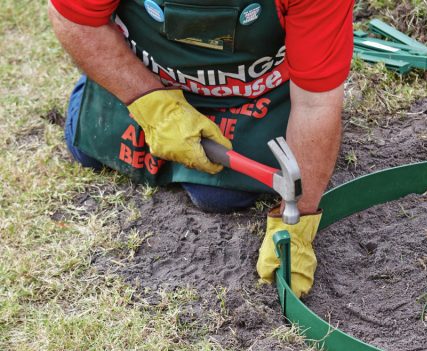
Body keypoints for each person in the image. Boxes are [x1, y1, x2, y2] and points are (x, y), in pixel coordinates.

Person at [48, 0, 354, 297]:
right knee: (88, 147)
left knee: (218, 196)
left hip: (247, 93)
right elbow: (73, 18)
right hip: (149, 74)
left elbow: (316, 103)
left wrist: (299, 219)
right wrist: (153, 106)